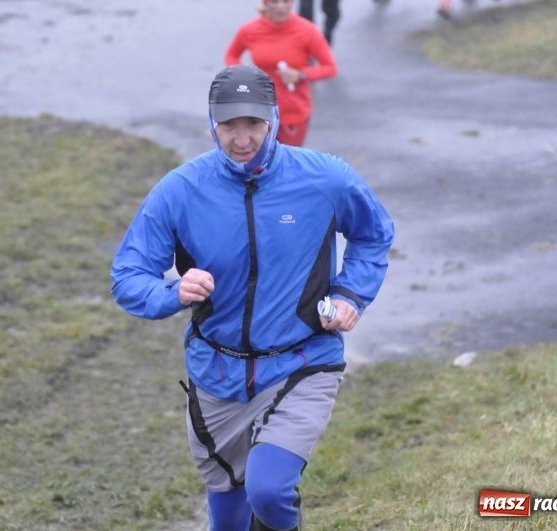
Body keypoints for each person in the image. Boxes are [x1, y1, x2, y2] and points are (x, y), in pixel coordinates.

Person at [110, 64, 395, 531]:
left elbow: (373, 235)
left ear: (274, 119)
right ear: (211, 122)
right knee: (227, 517)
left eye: (254, 124)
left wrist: (349, 294)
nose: (242, 139)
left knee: (270, 490)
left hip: (302, 362)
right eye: (229, 125)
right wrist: (172, 291)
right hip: (216, 375)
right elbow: (127, 276)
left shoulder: (325, 179)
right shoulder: (180, 191)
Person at [224, 0, 337, 147]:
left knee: (287, 164)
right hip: (259, 108)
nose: (281, 6)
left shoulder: (307, 30)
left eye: (286, 1)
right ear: (265, 4)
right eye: (275, 2)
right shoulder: (249, 30)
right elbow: (231, 56)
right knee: (258, 163)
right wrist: (246, 75)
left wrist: (300, 74)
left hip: (293, 111)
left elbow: (330, 67)